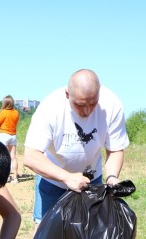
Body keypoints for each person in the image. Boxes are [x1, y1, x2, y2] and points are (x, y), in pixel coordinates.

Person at [24, 69, 129, 223]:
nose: (87, 111)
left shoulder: (112, 105)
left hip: (90, 180)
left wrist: (112, 177)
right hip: (52, 179)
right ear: (67, 94)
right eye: (80, 105)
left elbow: (115, 149)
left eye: (93, 103)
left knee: (89, 233)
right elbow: (31, 156)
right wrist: (66, 177)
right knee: (44, 234)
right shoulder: (50, 107)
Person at [0, 95, 20, 183]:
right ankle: (15, 178)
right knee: (13, 157)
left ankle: (6, 177)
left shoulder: (3, 112)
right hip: (13, 135)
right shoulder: (16, 112)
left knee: (5, 157)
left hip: (4, 135)